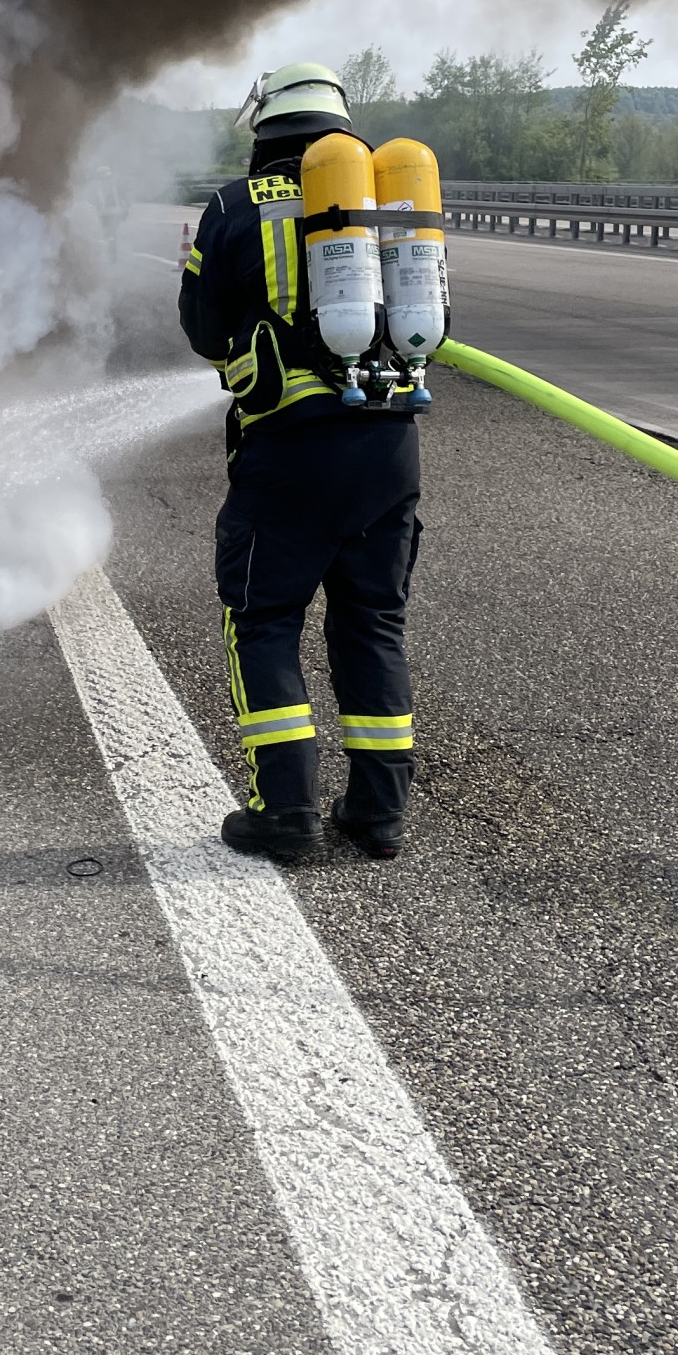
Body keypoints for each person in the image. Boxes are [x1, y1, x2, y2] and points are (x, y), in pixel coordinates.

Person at [178, 62, 420, 864]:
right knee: (373, 621)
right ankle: (378, 815)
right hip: (389, 449)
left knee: (264, 621)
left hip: (290, 451)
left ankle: (285, 812)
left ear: (265, 126)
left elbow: (203, 332)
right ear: (341, 125)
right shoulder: (388, 201)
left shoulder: (233, 205)